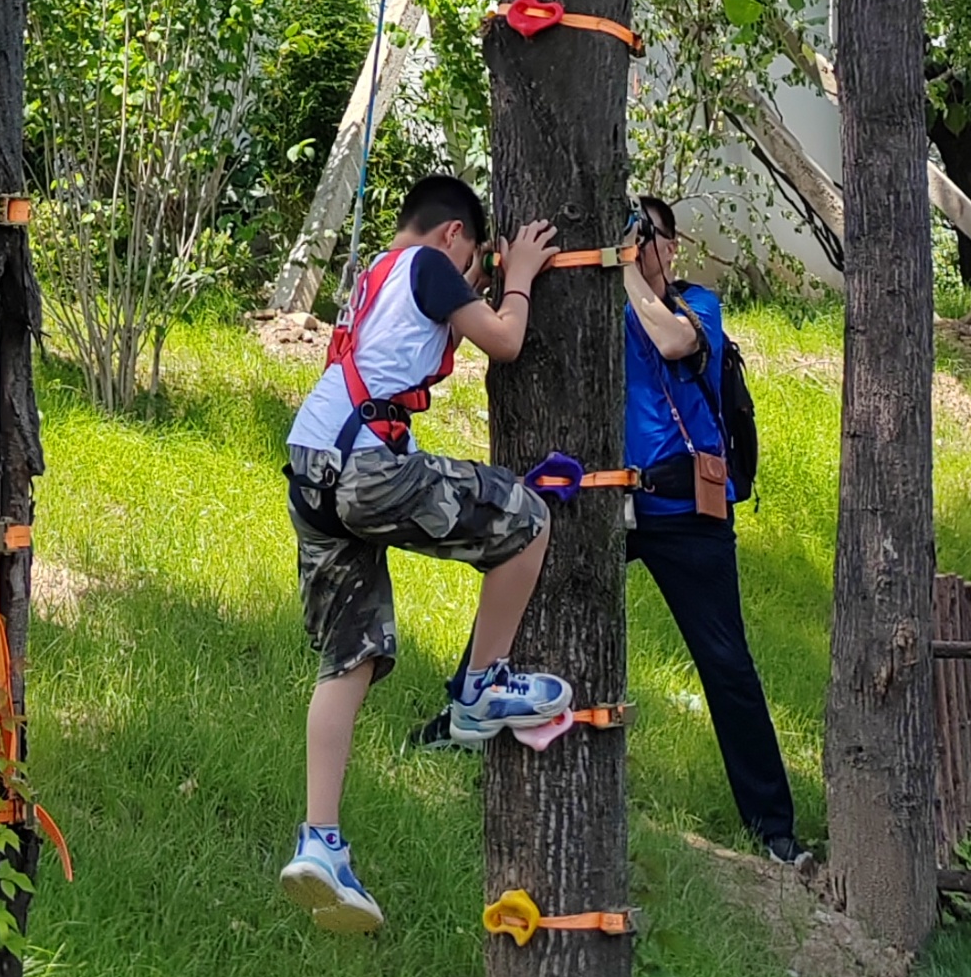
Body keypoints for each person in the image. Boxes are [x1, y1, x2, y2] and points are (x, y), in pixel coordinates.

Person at [277, 173, 573, 933]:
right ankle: (483, 683)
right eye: (473, 262)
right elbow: (505, 342)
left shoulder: (376, 271)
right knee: (527, 518)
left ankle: (320, 842)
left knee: (350, 656)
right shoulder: (433, 264)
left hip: (310, 465)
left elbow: (423, 341)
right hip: (365, 466)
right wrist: (520, 277)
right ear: (452, 236)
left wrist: (484, 286)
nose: (469, 279)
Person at [619, 194, 812, 871]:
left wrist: (627, 271)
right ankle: (461, 715)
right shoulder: (599, 308)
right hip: (605, 500)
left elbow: (673, 343)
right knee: (525, 576)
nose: (641, 243)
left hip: (685, 510)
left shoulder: (696, 304)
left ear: (669, 246)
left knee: (726, 664)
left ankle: (775, 829)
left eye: (648, 234)